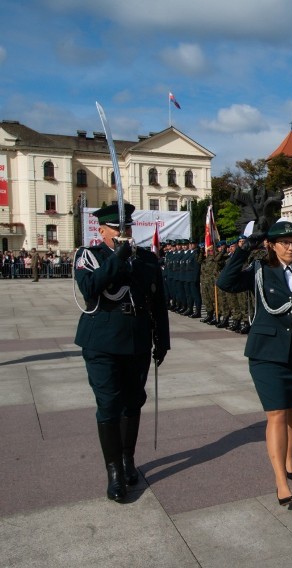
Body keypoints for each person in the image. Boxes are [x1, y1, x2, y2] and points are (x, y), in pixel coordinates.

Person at [217, 220, 292, 506]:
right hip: (267, 353)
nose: (290, 247)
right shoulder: (260, 271)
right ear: (271, 245)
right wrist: (245, 247)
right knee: (277, 413)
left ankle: (290, 458)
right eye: (284, 242)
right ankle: (281, 481)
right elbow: (225, 282)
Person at [74, 203, 170, 502]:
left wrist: (162, 339)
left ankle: (128, 460)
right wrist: (117, 258)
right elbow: (90, 288)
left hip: (137, 339)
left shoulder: (145, 258)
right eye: (116, 228)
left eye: (126, 227)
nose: (122, 232)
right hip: (102, 341)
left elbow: (157, 301)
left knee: (133, 401)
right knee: (109, 404)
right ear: (101, 229)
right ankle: (114, 472)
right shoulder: (88, 256)